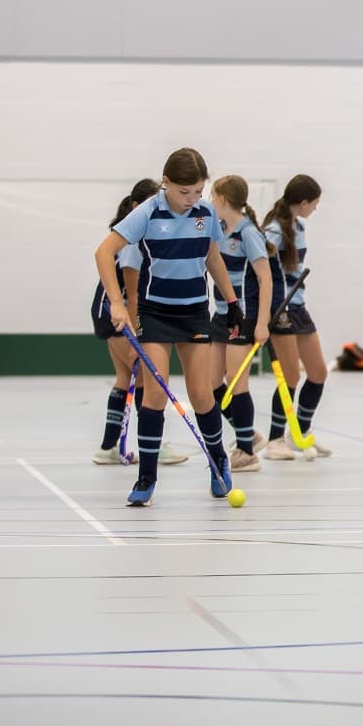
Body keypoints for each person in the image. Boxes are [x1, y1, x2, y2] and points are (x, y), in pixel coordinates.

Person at [95, 147, 242, 507]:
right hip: (155, 313)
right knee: (155, 395)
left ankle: (218, 462)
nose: (191, 199)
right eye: (183, 192)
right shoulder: (146, 212)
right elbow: (103, 251)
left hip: (194, 312)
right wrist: (117, 302)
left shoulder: (205, 212)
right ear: (166, 183)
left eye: (197, 191)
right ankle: (146, 476)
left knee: (202, 394)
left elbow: (212, 256)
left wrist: (233, 301)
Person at [90, 178, 190, 468]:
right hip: (119, 316)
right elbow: (132, 295)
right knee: (149, 378)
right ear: (137, 207)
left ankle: (107, 448)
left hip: (107, 313)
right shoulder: (133, 241)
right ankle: (155, 446)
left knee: (124, 378)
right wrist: (137, 334)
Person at [261, 174, 332, 461]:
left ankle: (298, 434)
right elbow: (262, 275)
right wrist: (266, 313)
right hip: (280, 309)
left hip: (298, 307)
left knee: (318, 372)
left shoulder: (298, 226)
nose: (315, 209)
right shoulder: (272, 232)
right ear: (303, 203)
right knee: (289, 376)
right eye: (314, 204)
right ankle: (275, 439)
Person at [208, 175, 272, 473]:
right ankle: (249, 434)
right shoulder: (220, 229)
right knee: (210, 384)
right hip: (220, 314)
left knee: (237, 382)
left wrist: (262, 323)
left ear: (222, 199)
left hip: (243, 318)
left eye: (212, 195)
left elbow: (265, 279)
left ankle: (246, 452)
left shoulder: (248, 234)